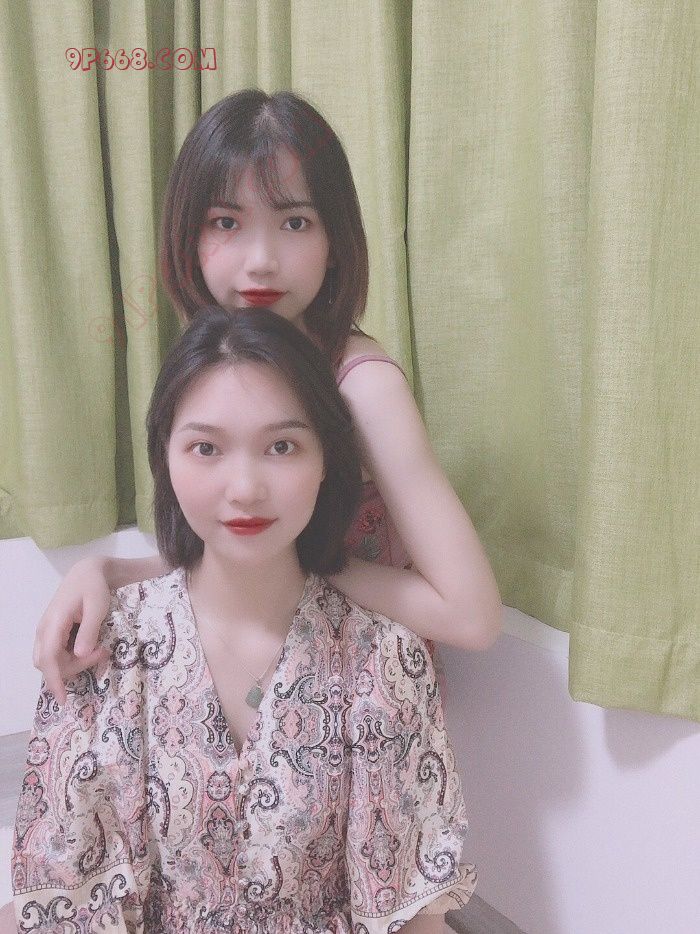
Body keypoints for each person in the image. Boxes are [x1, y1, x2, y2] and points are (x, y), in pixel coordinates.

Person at [8, 308, 477, 933]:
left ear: (326, 460)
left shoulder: (384, 660)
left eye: (282, 446)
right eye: (206, 448)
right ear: (166, 459)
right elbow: (64, 900)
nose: (245, 488)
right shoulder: (105, 646)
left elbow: (409, 916)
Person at [33, 87, 501, 711]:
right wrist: (103, 571)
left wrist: (311, 559)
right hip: (249, 660)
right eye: (226, 223)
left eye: (295, 223)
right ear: (188, 238)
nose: (260, 262)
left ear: (335, 240)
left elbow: (472, 616)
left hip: (357, 696)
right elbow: (225, 554)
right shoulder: (218, 358)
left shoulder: (363, 387)